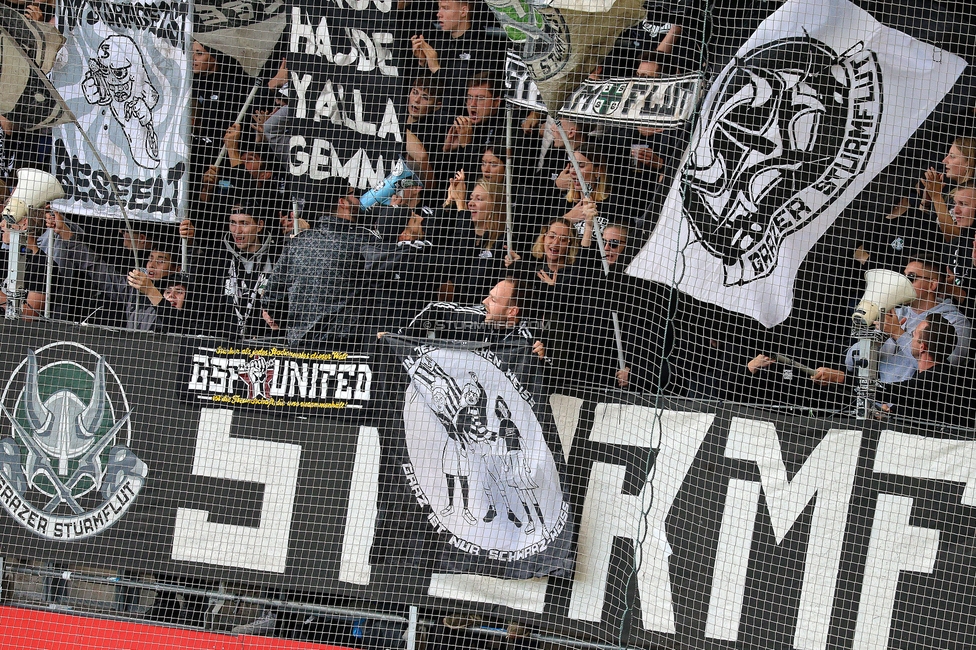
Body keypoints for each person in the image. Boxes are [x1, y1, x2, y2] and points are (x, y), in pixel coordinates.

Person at [261, 180, 374, 347]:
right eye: (352, 194)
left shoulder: (298, 243)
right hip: (346, 350)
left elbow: (271, 297)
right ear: (342, 203)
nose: (358, 198)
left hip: (299, 348)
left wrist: (286, 320)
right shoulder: (364, 242)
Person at [48, 212, 181, 331]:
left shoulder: (178, 294)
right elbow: (96, 268)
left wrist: (152, 291)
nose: (152, 265)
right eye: (150, 259)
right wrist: (64, 233)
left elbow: (180, 323)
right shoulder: (133, 289)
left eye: (160, 261)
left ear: (177, 268)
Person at [183, 200, 280, 340]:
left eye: (244, 223)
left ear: (260, 225)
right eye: (233, 223)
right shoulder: (217, 259)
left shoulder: (278, 257)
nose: (237, 231)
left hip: (266, 346)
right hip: (225, 346)